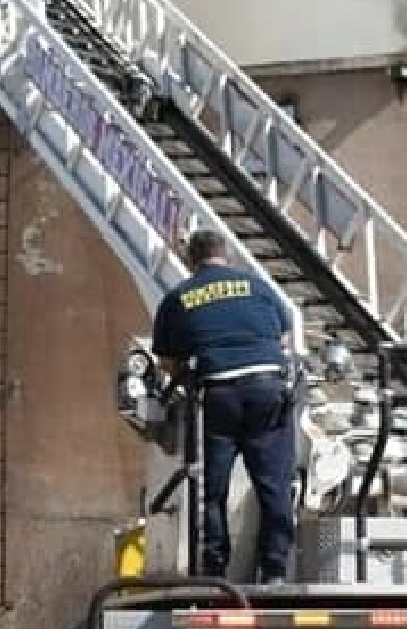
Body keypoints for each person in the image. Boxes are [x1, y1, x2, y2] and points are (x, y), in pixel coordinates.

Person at [152, 228, 298, 584]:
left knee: (212, 487)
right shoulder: (257, 286)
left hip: (220, 396)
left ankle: (215, 569)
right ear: (227, 256)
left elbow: (167, 361)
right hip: (268, 389)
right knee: (274, 484)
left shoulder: (179, 297)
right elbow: (282, 335)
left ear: (191, 260)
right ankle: (275, 570)